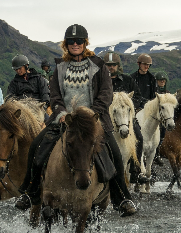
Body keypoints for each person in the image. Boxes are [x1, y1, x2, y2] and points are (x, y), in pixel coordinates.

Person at [16, 24, 138, 217]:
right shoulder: (59, 68)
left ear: (85, 43)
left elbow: (106, 95)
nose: (75, 44)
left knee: (114, 153)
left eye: (79, 41)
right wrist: (62, 113)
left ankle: (122, 197)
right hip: (66, 120)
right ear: (66, 44)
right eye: (71, 41)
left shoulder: (99, 66)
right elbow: (54, 96)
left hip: (93, 120)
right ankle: (30, 192)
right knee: (36, 147)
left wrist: (92, 113)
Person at [103, 51, 149, 185]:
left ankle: (136, 171)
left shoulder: (128, 80)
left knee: (139, 137)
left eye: (113, 65)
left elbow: (138, 98)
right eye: (108, 65)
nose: (111, 67)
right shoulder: (100, 82)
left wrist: (127, 105)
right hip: (106, 118)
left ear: (118, 66)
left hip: (126, 118)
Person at [130, 53, 164, 166]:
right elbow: (132, 94)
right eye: (145, 64)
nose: (146, 67)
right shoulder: (132, 78)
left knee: (161, 124)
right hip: (136, 106)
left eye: (148, 65)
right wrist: (137, 105)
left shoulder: (152, 79)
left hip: (149, 107)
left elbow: (154, 95)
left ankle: (157, 151)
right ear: (139, 64)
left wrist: (148, 104)